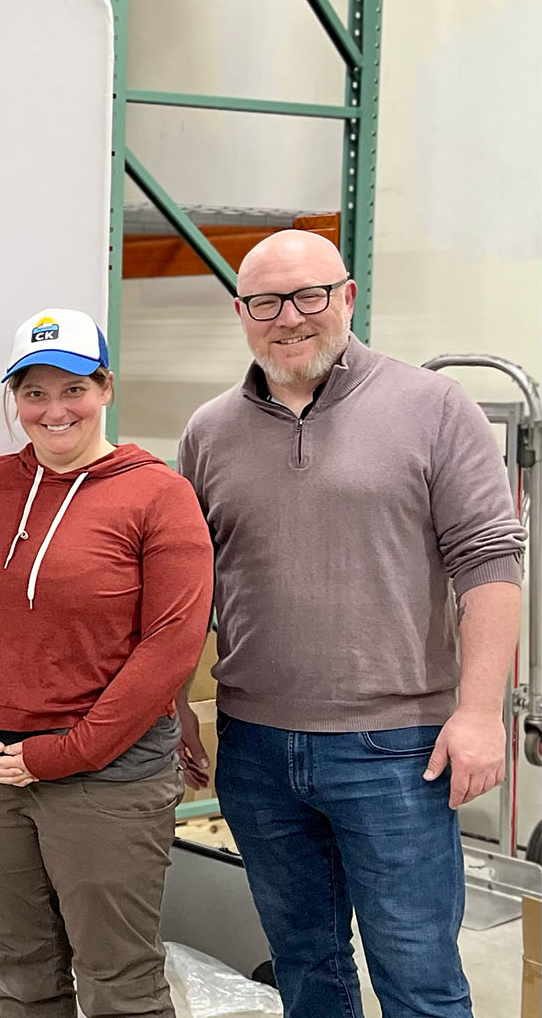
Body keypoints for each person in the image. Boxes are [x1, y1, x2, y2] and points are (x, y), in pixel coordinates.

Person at [176, 229, 524, 1018]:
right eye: (265, 302)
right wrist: (175, 707)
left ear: (347, 297)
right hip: (255, 748)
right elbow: (186, 586)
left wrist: (479, 715)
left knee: (418, 975)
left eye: (308, 295)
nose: (288, 318)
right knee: (306, 968)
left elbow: (491, 564)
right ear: (241, 312)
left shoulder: (432, 407)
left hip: (397, 751)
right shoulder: (209, 431)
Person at [0, 307, 214, 1018]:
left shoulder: (159, 495)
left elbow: (170, 647)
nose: (54, 410)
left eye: (73, 388)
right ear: (14, 401)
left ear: (106, 388)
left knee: (119, 980)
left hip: (107, 775)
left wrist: (63, 754)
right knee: (20, 969)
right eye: (33, 393)